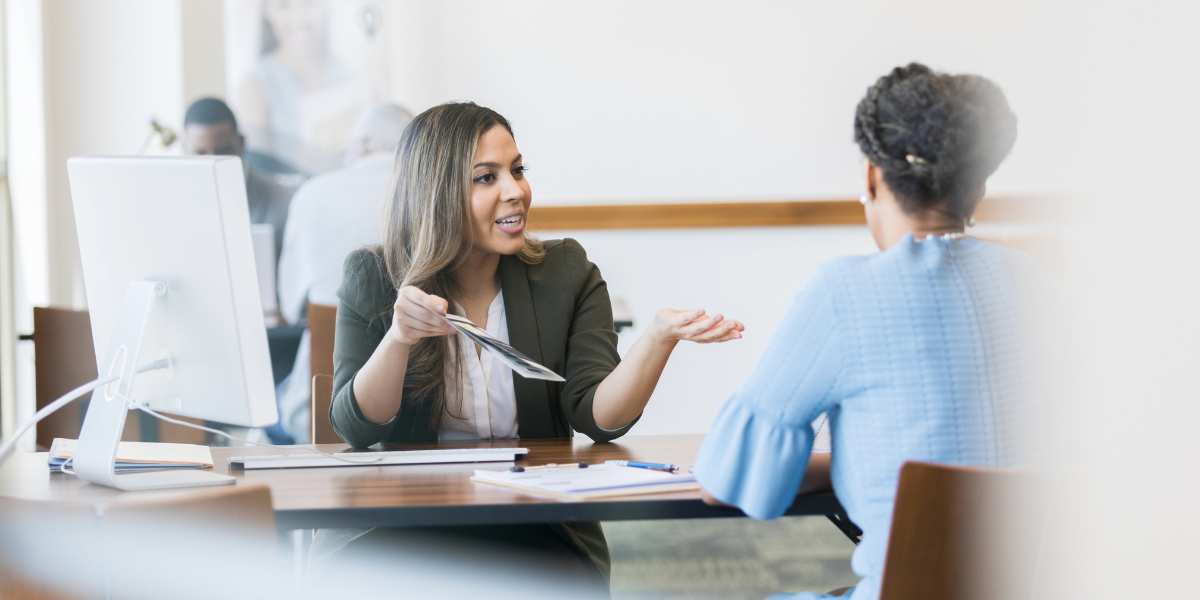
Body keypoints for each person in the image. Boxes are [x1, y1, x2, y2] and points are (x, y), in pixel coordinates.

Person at [329, 102, 744, 589]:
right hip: (406, 526)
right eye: (487, 177)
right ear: (435, 194)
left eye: (517, 170)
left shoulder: (565, 272)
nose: (516, 191)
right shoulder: (373, 278)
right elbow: (355, 427)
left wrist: (657, 339)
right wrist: (399, 339)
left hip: (535, 523)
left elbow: (597, 417)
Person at [693, 63, 1025, 600]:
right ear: (978, 185)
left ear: (871, 177)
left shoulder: (843, 294)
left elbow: (729, 482)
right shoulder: (1041, 286)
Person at [271, 103, 414, 444]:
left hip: (318, 401)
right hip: (414, 402)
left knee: (272, 405)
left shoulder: (312, 194)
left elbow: (290, 306)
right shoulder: (425, 193)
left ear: (363, 143)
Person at [182, 96, 297, 264]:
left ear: (241, 144)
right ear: (185, 150)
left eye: (223, 151)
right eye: (200, 153)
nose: (212, 163)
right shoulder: (177, 206)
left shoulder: (286, 203)